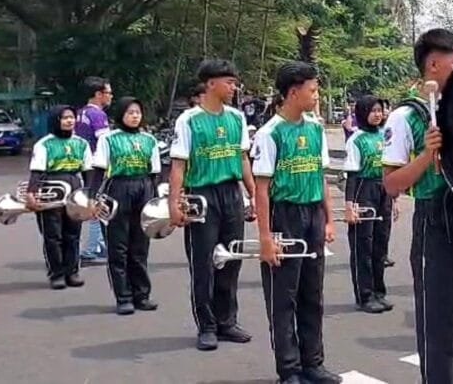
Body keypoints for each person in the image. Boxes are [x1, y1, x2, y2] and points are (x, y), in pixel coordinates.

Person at [382, 28, 453, 383]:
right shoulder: (405, 117)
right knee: (439, 330)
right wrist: (427, 155)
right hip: (436, 225)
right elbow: (392, 184)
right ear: (433, 65)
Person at [253, 61, 341, 384]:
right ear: (293, 92)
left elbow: (321, 177)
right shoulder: (269, 133)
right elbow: (262, 190)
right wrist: (265, 238)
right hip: (284, 215)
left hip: (312, 215)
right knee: (283, 297)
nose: (317, 96)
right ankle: (288, 369)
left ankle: (313, 364)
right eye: (313, 90)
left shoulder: (316, 129)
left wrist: (328, 220)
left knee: (312, 294)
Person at [168, 59, 257, 351]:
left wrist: (253, 194)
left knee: (231, 258)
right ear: (210, 84)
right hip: (201, 194)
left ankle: (227, 321)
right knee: (203, 262)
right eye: (229, 82)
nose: (234, 88)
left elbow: (243, 158)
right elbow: (179, 164)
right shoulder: (189, 120)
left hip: (231, 193)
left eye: (235, 82)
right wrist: (174, 203)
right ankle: (206, 326)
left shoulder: (237, 118)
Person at [89, 97, 161, 314]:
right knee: (118, 247)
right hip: (118, 188)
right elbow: (99, 170)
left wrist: (157, 201)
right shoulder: (108, 139)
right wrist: (92, 198)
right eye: (130, 112)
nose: (135, 116)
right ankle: (123, 297)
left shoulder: (149, 140)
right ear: (121, 114)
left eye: (138, 112)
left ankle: (142, 295)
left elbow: (154, 173)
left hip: (144, 187)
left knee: (140, 247)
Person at [27, 105, 93, 289]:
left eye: (72, 117)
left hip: (75, 188)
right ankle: (57, 274)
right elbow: (36, 171)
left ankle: (72, 272)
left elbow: (88, 171)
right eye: (64, 118)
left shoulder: (82, 143)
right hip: (51, 188)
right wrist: (31, 193)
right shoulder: (44, 144)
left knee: (73, 234)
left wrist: (90, 195)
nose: (69, 121)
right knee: (52, 235)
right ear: (56, 120)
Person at [343, 95, 394, 314]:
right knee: (363, 245)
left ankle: (378, 291)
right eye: (373, 111)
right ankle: (364, 295)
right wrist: (350, 204)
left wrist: (393, 199)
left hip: (384, 190)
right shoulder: (356, 139)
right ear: (363, 113)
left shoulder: (385, 135)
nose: (377, 114)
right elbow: (352, 175)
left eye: (380, 110)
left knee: (380, 244)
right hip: (364, 190)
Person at [76, 76, 112, 263]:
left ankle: (99, 245)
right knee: (98, 206)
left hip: (82, 165)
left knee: (94, 203)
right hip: (97, 167)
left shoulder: (80, 113)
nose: (111, 96)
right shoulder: (98, 115)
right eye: (108, 93)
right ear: (98, 94)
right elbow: (106, 143)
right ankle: (90, 249)